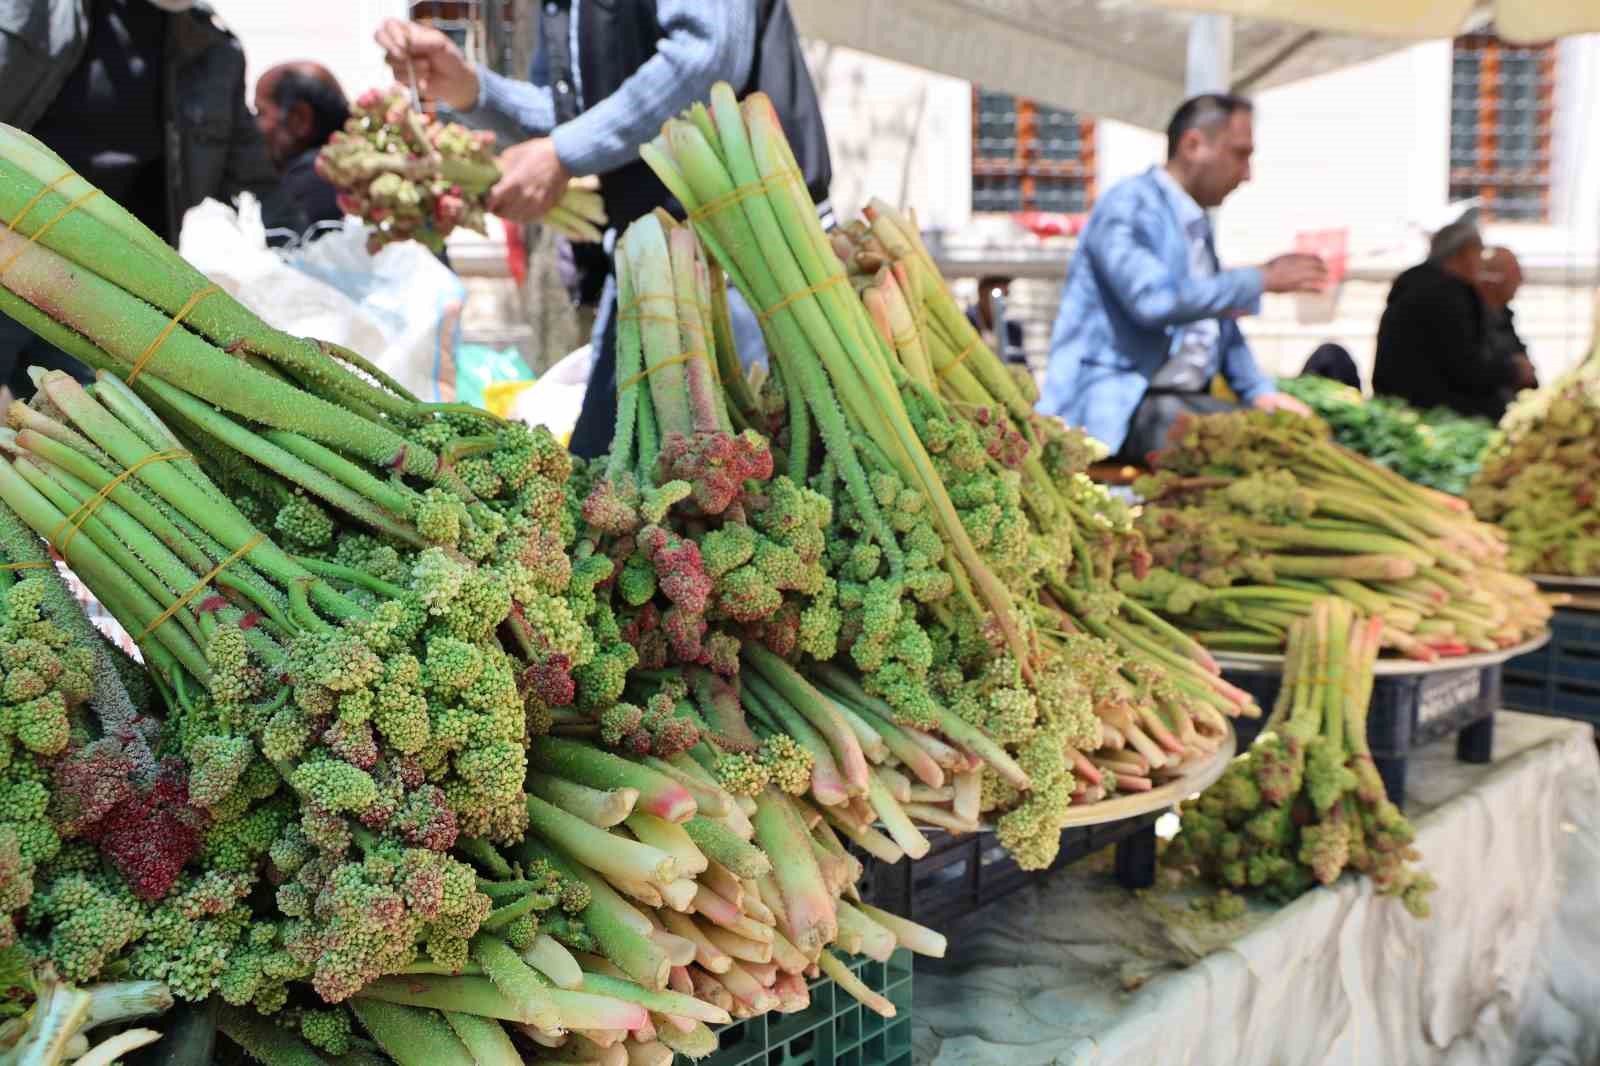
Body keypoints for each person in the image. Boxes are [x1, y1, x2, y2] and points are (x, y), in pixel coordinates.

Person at [374, 0, 833, 457]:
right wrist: (471, 88)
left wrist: (563, 154)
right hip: (649, 263)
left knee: (762, 463)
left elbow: (705, 58)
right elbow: (569, 113)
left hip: (751, 264)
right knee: (605, 467)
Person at [0, 0, 289, 398]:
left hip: (109, 288)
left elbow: (252, 174)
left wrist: (308, 252)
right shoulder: (33, 11)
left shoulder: (214, 50)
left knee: (79, 413)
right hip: (11, 241)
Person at [1038, 93, 1325, 460]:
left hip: (1179, 403)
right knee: (1264, 448)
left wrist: (1259, 391)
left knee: (1297, 440)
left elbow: (1219, 324)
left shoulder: (1195, 223)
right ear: (1193, 145)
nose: (1247, 174)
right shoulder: (1128, 205)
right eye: (1240, 154)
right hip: (1121, 408)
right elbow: (1153, 300)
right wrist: (1258, 279)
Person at [1372, 213, 1521, 421]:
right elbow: (1467, 369)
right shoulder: (1446, 296)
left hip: (1405, 403)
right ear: (1463, 255)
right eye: (1478, 253)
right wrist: (1514, 370)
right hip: (1429, 413)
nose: (1481, 263)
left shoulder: (1420, 285)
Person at [254, 61, 351, 239]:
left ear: (299, 119)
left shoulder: (312, 178)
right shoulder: (350, 166)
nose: (253, 126)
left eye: (261, 112)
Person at [1478, 245, 1538, 408]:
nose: (1520, 280)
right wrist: (1515, 369)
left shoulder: (1503, 316)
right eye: (1514, 273)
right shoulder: (1474, 320)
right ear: (1493, 279)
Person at [966, 276, 1026, 365]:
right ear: (982, 292)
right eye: (997, 296)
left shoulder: (1013, 329)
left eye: (1006, 296)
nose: (1002, 303)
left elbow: (1021, 363)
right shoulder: (966, 323)